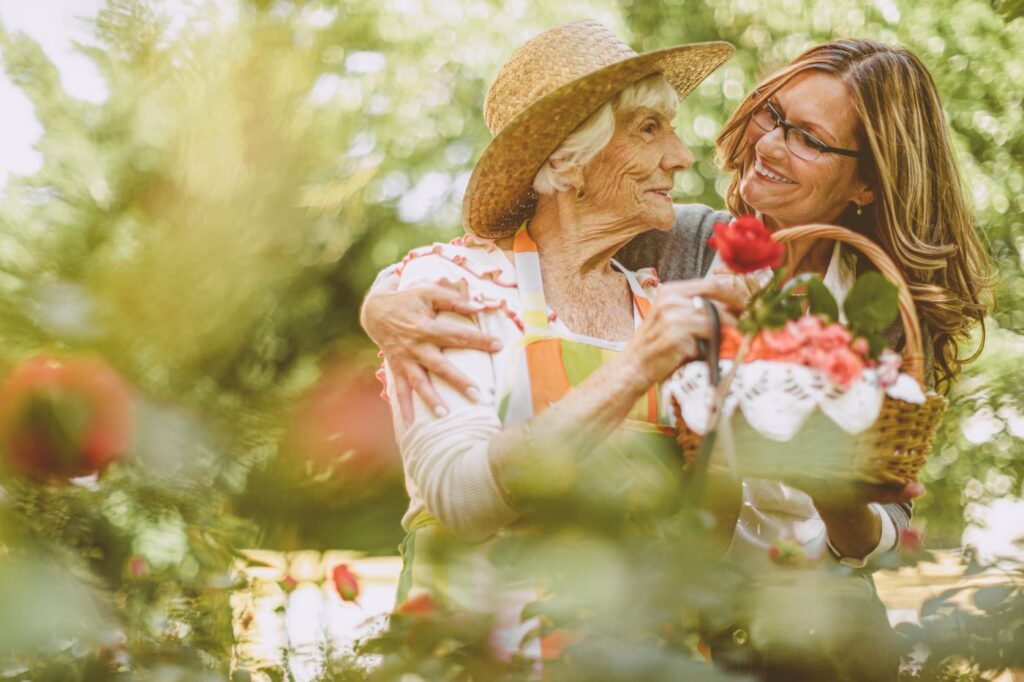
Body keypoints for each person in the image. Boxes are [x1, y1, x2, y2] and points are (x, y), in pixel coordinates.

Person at [364, 36, 991, 676]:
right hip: (683, 611)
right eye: (771, 115)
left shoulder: (882, 307)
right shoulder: (674, 249)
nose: (768, 144)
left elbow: (879, 521)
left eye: (809, 138)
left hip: (806, 599)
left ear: (864, 183)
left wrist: (829, 486)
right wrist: (382, 302)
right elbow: (530, 248)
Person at [375, 21, 736, 660]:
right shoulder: (451, 286)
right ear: (570, 160)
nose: (681, 155)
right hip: (486, 657)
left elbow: (704, 541)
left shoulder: (657, 299)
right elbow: (460, 499)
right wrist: (636, 368)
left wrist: (733, 419)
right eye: (650, 129)